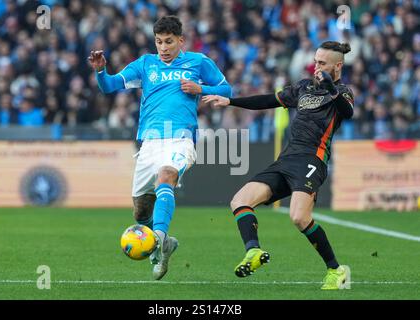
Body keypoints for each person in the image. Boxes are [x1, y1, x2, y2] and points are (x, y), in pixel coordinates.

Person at [88, 15, 232, 280]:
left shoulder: (199, 62)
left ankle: (159, 238)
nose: (163, 48)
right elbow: (109, 86)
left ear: (181, 41)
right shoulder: (145, 64)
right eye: (158, 42)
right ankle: (165, 245)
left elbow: (228, 89)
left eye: (168, 42)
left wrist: (201, 88)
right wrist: (100, 71)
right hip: (149, 144)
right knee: (141, 211)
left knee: (166, 176)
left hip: (180, 139)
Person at [203, 41, 353, 290]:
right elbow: (269, 100)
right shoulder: (304, 87)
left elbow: (347, 113)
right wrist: (230, 101)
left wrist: (332, 89)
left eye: (322, 63)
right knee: (240, 200)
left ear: (337, 66)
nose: (316, 66)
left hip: (312, 159)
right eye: (316, 61)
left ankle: (336, 270)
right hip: (286, 159)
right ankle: (253, 252)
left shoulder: (343, 91)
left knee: (298, 217)